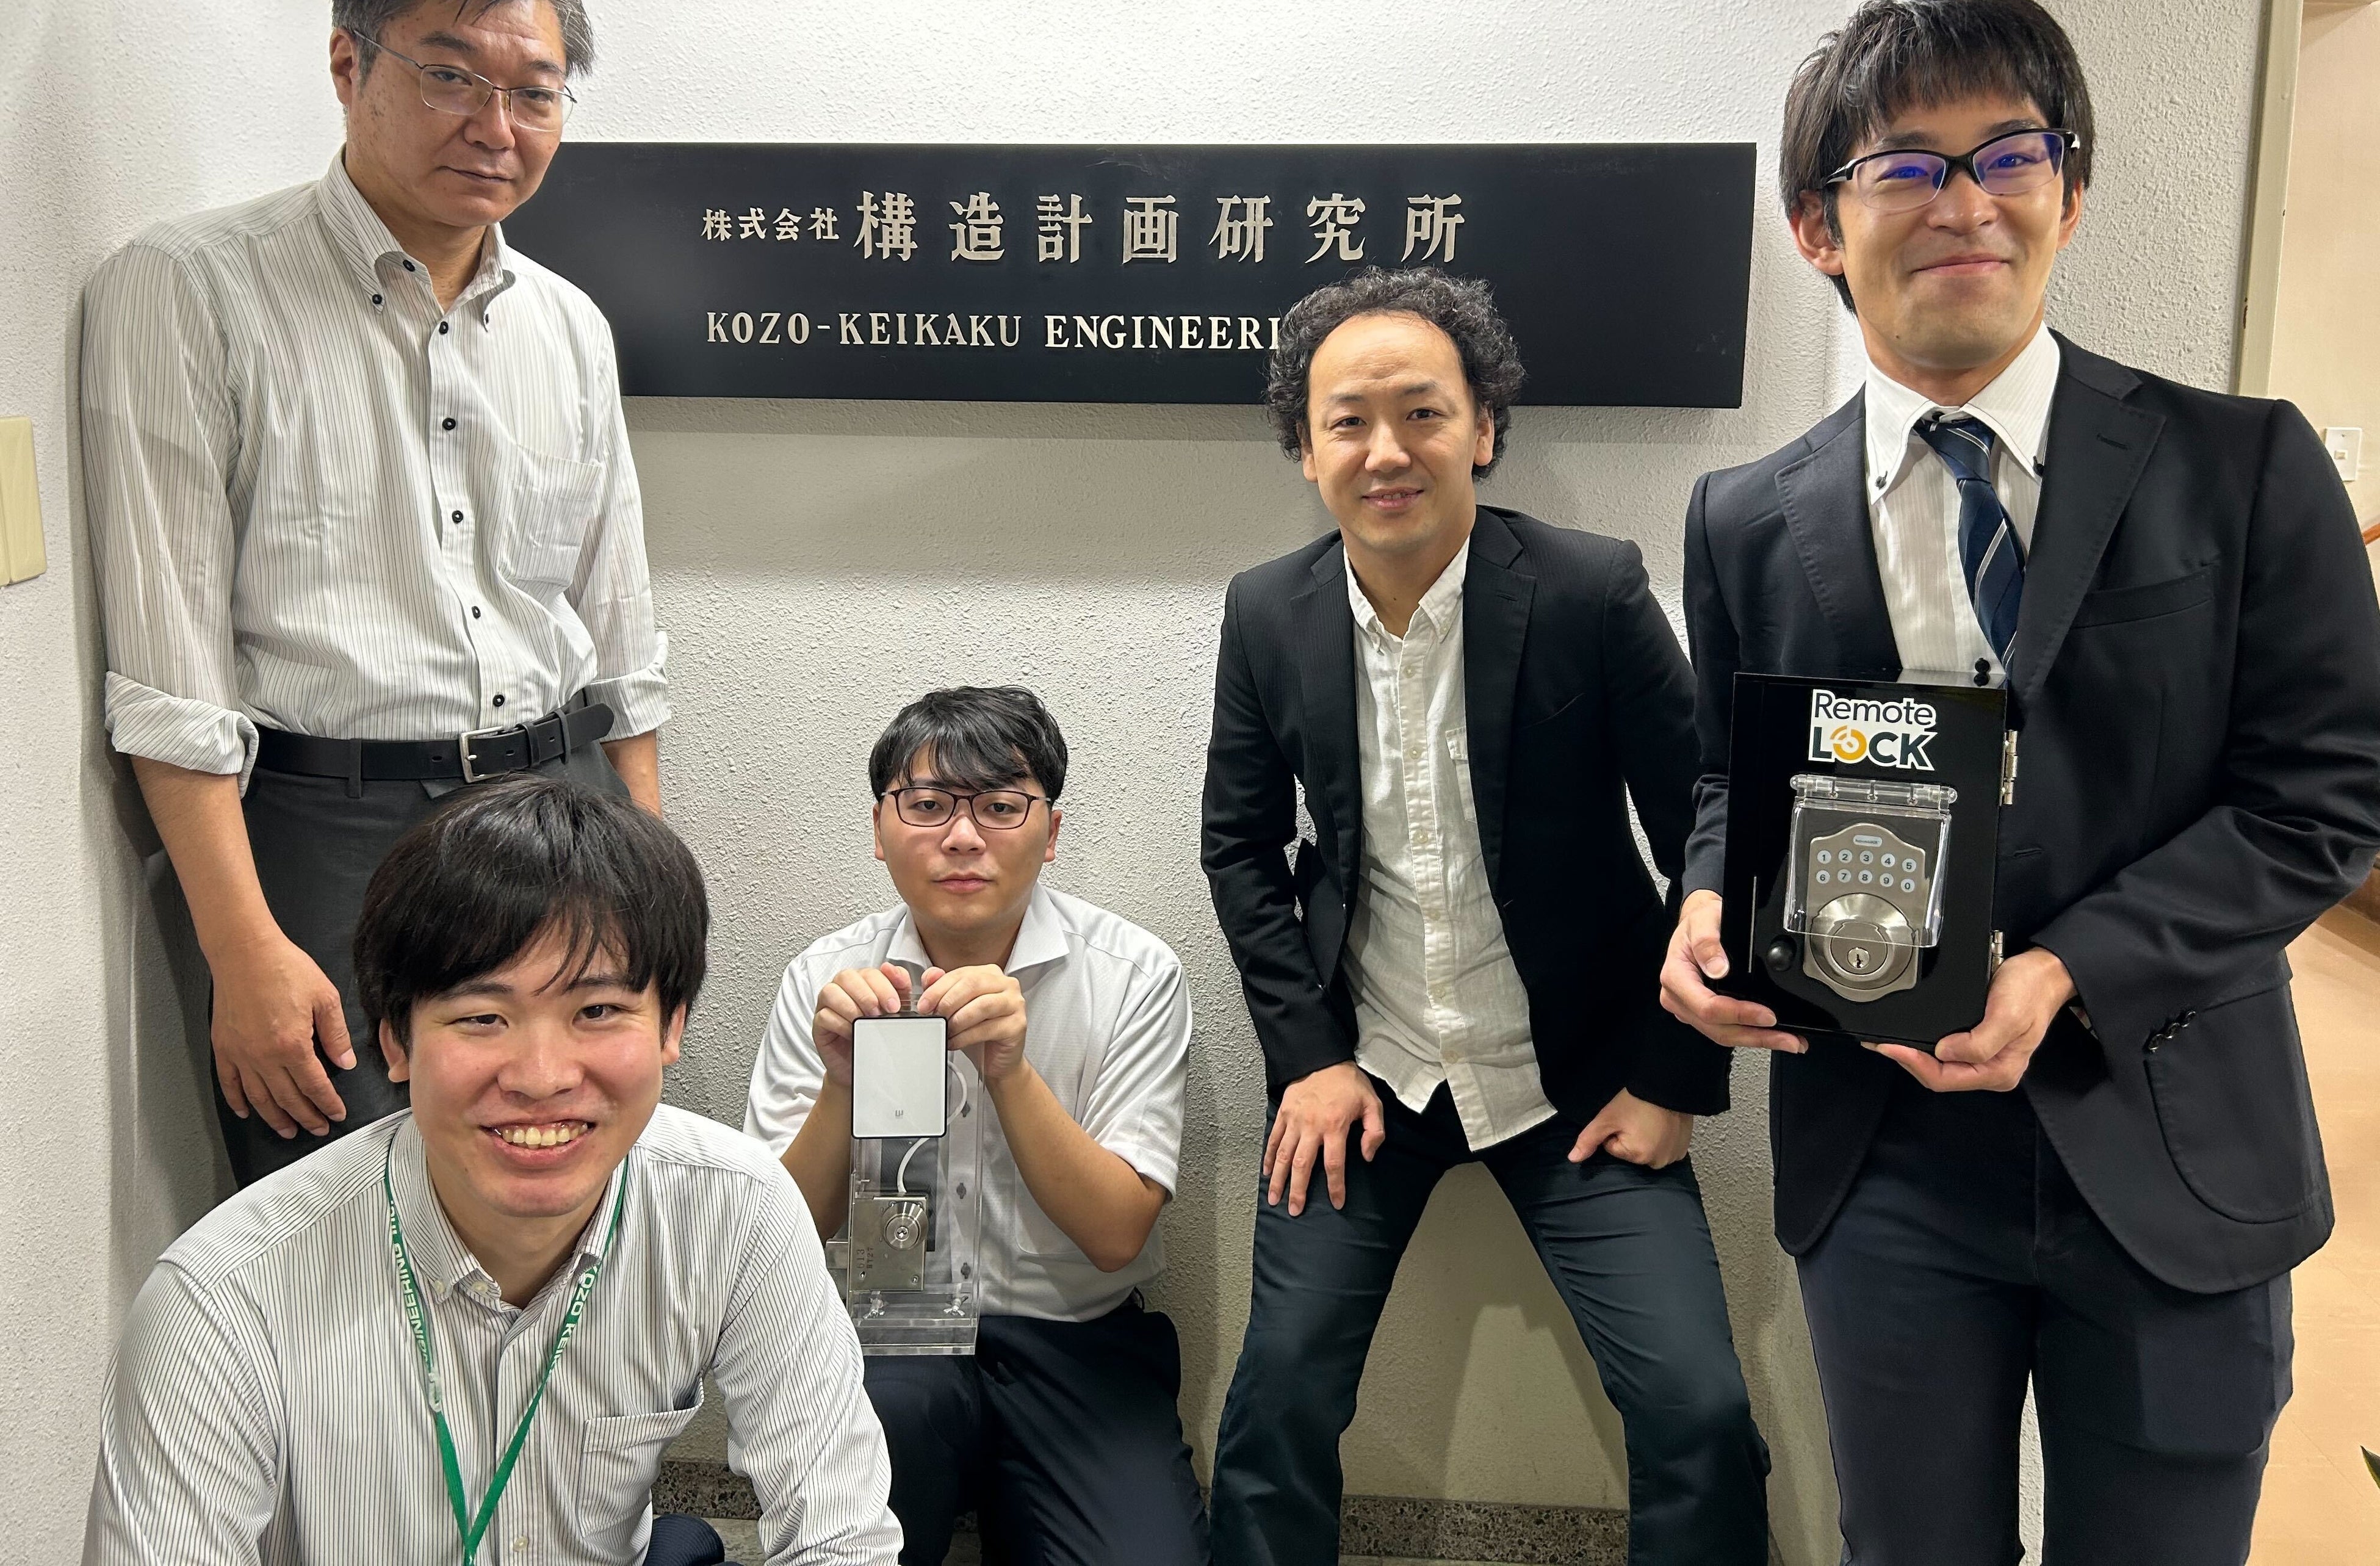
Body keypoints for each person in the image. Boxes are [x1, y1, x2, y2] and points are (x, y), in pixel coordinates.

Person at [1660, 0, 2380, 1566]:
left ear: (2071, 189)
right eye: (1904, 165)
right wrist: (1707, 899)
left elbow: (2323, 794)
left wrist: (2065, 968)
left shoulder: (2241, 464)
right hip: (1884, 1154)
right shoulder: (1745, 518)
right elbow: (1727, 776)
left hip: (2171, 1126)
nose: (1965, 201)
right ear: (1816, 226)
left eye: (2009, 153)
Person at [80, 0, 668, 1186]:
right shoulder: (189, 287)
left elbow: (619, 635)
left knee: (570, 1192)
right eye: (452, 75)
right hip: (328, 833)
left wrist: (649, 879)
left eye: (536, 93)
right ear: (349, 64)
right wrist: (242, 946)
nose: (496, 126)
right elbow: (172, 678)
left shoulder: (569, 324)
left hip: (562, 802)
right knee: (343, 1211)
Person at [1200, 268, 1769, 1565]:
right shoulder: (1267, 611)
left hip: (1583, 1080)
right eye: (1348, 421)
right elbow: (1239, 845)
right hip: (1369, 1074)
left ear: (1485, 428)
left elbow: (1710, 820)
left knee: (1699, 1407)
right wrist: (1310, 1057)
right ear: (1306, 450)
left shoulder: (1589, 589)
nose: (1386, 450)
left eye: (1423, 412)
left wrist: (1675, 1075)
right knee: (1277, 1394)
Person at [83, 777, 900, 1566]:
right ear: (397, 1042)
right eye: (482, 1017)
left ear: (670, 1027)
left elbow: (842, 1536)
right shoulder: (222, 1303)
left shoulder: (737, 1209)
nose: (541, 1076)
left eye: (597, 1011)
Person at [747, 687, 1209, 1566]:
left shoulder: (1133, 974)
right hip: (889, 1334)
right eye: (927, 805)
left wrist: (1011, 1073)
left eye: (1000, 806)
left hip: (1077, 1339)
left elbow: (1117, 1234)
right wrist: (843, 1082)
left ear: (1052, 831)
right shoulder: (829, 977)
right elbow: (779, 1241)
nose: (963, 837)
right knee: (854, 1515)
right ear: (880, 830)